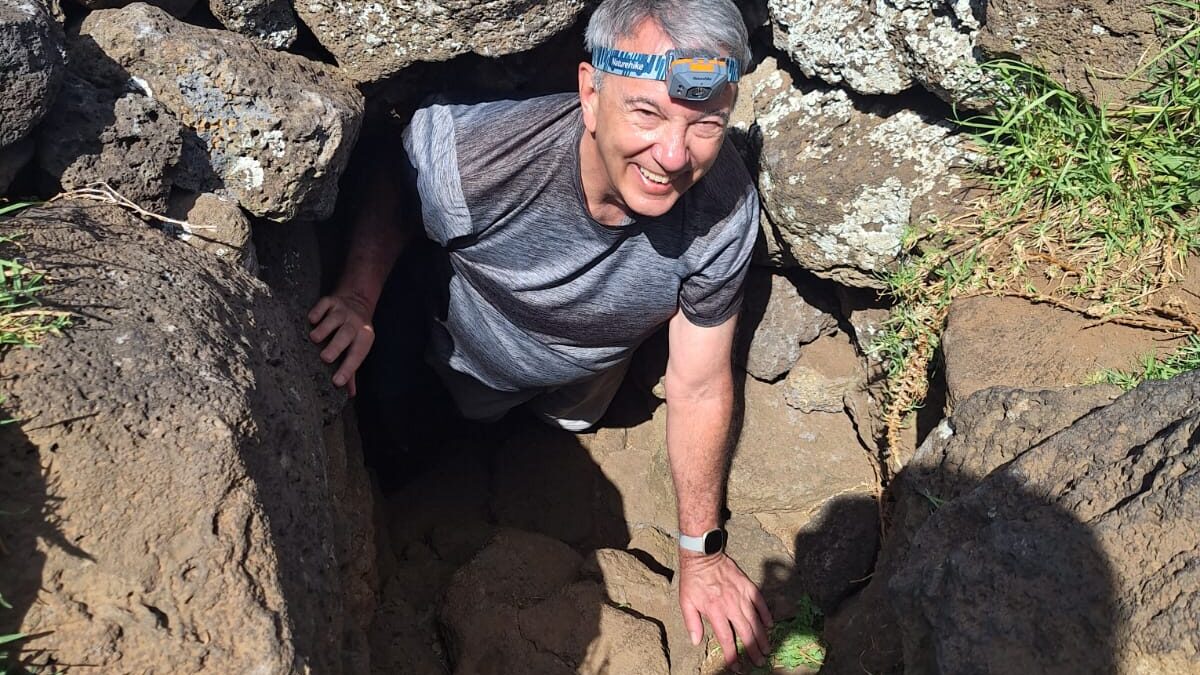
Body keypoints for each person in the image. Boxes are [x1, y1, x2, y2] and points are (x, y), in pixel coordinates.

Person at [307, 0, 773, 667]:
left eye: (706, 125)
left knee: (564, 425)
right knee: (409, 436)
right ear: (591, 94)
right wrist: (358, 294)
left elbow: (698, 386)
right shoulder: (491, 152)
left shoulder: (723, 209)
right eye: (647, 113)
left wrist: (701, 553)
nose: (674, 155)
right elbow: (397, 176)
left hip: (582, 387)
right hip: (457, 363)